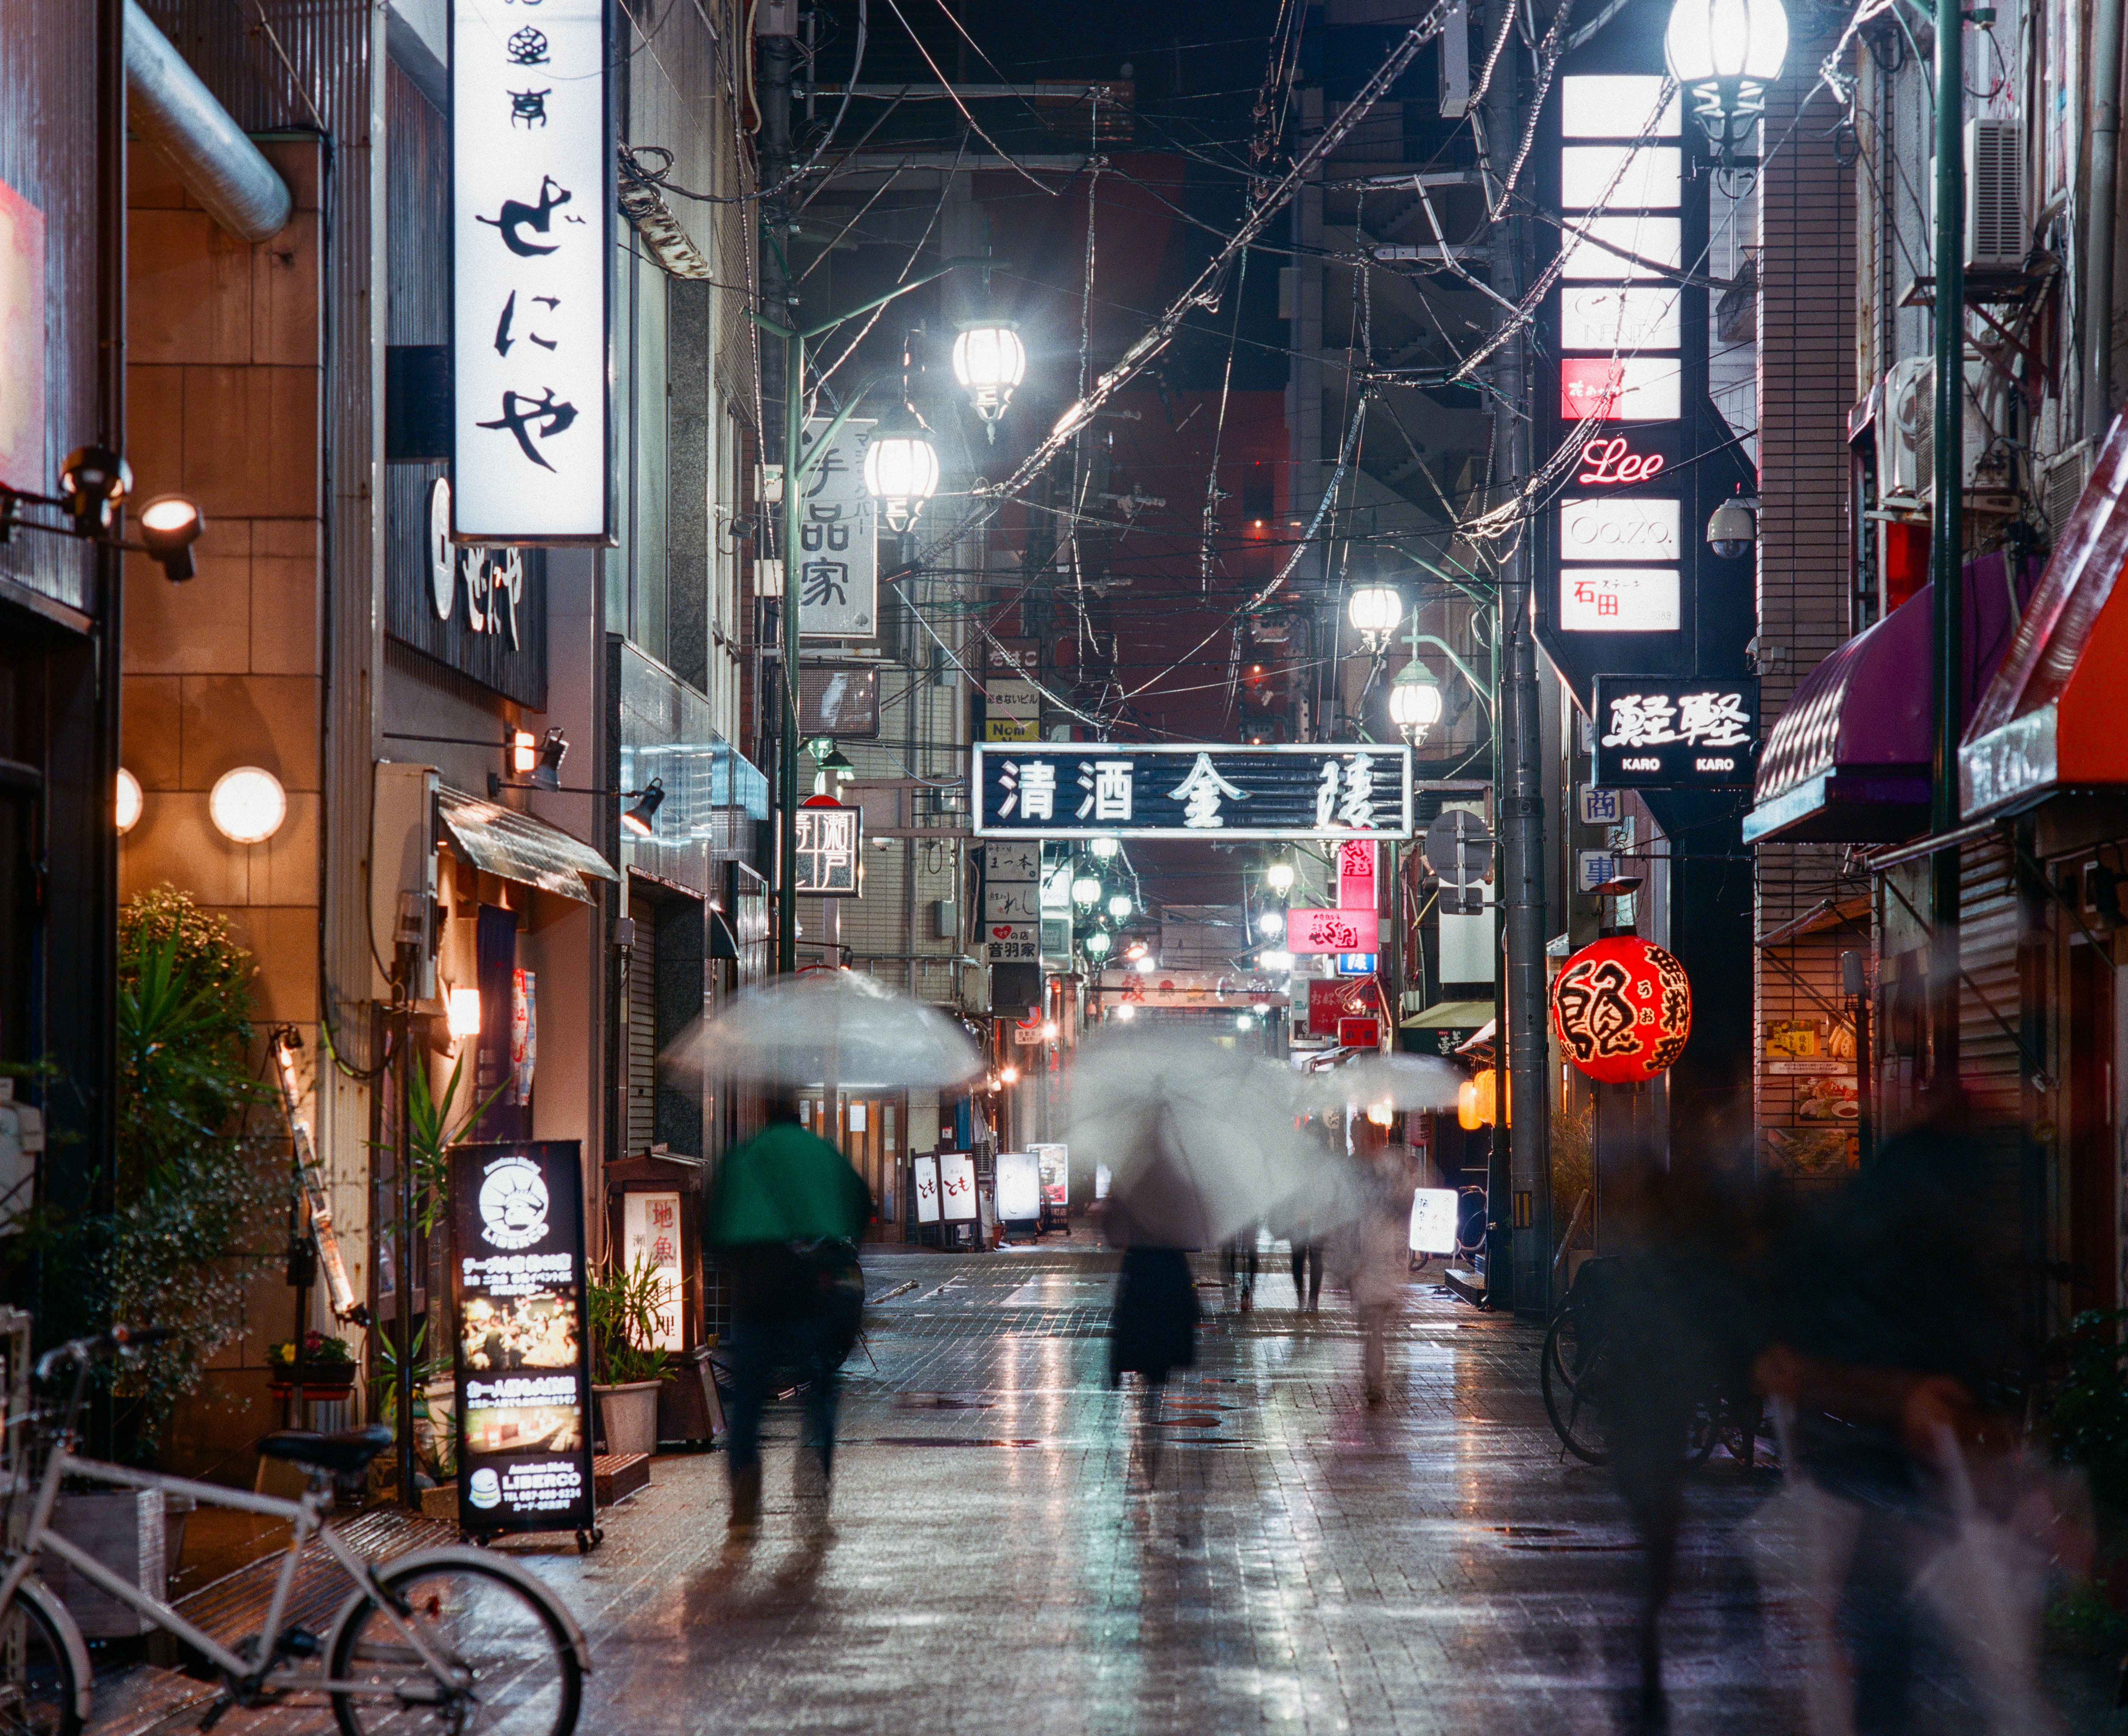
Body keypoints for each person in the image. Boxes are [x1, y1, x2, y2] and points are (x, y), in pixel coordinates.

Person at [705, 1090, 870, 1545]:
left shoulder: (743, 1157)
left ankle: (744, 1493)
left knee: (749, 1402)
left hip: (755, 1294)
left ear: (765, 1114)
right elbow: (860, 1200)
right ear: (798, 1116)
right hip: (810, 1293)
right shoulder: (822, 1154)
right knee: (819, 1395)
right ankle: (815, 1484)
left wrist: (735, 1268)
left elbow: (713, 1224)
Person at [1108, 1244, 1200, 1488]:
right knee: (1156, 1387)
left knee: (1151, 1392)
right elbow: (1186, 1290)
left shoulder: (1138, 1250)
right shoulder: (1173, 1250)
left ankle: (1148, 1450)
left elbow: (1125, 1294)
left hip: (1143, 1329)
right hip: (1165, 1330)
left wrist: (1117, 1351)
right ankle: (1151, 1454)